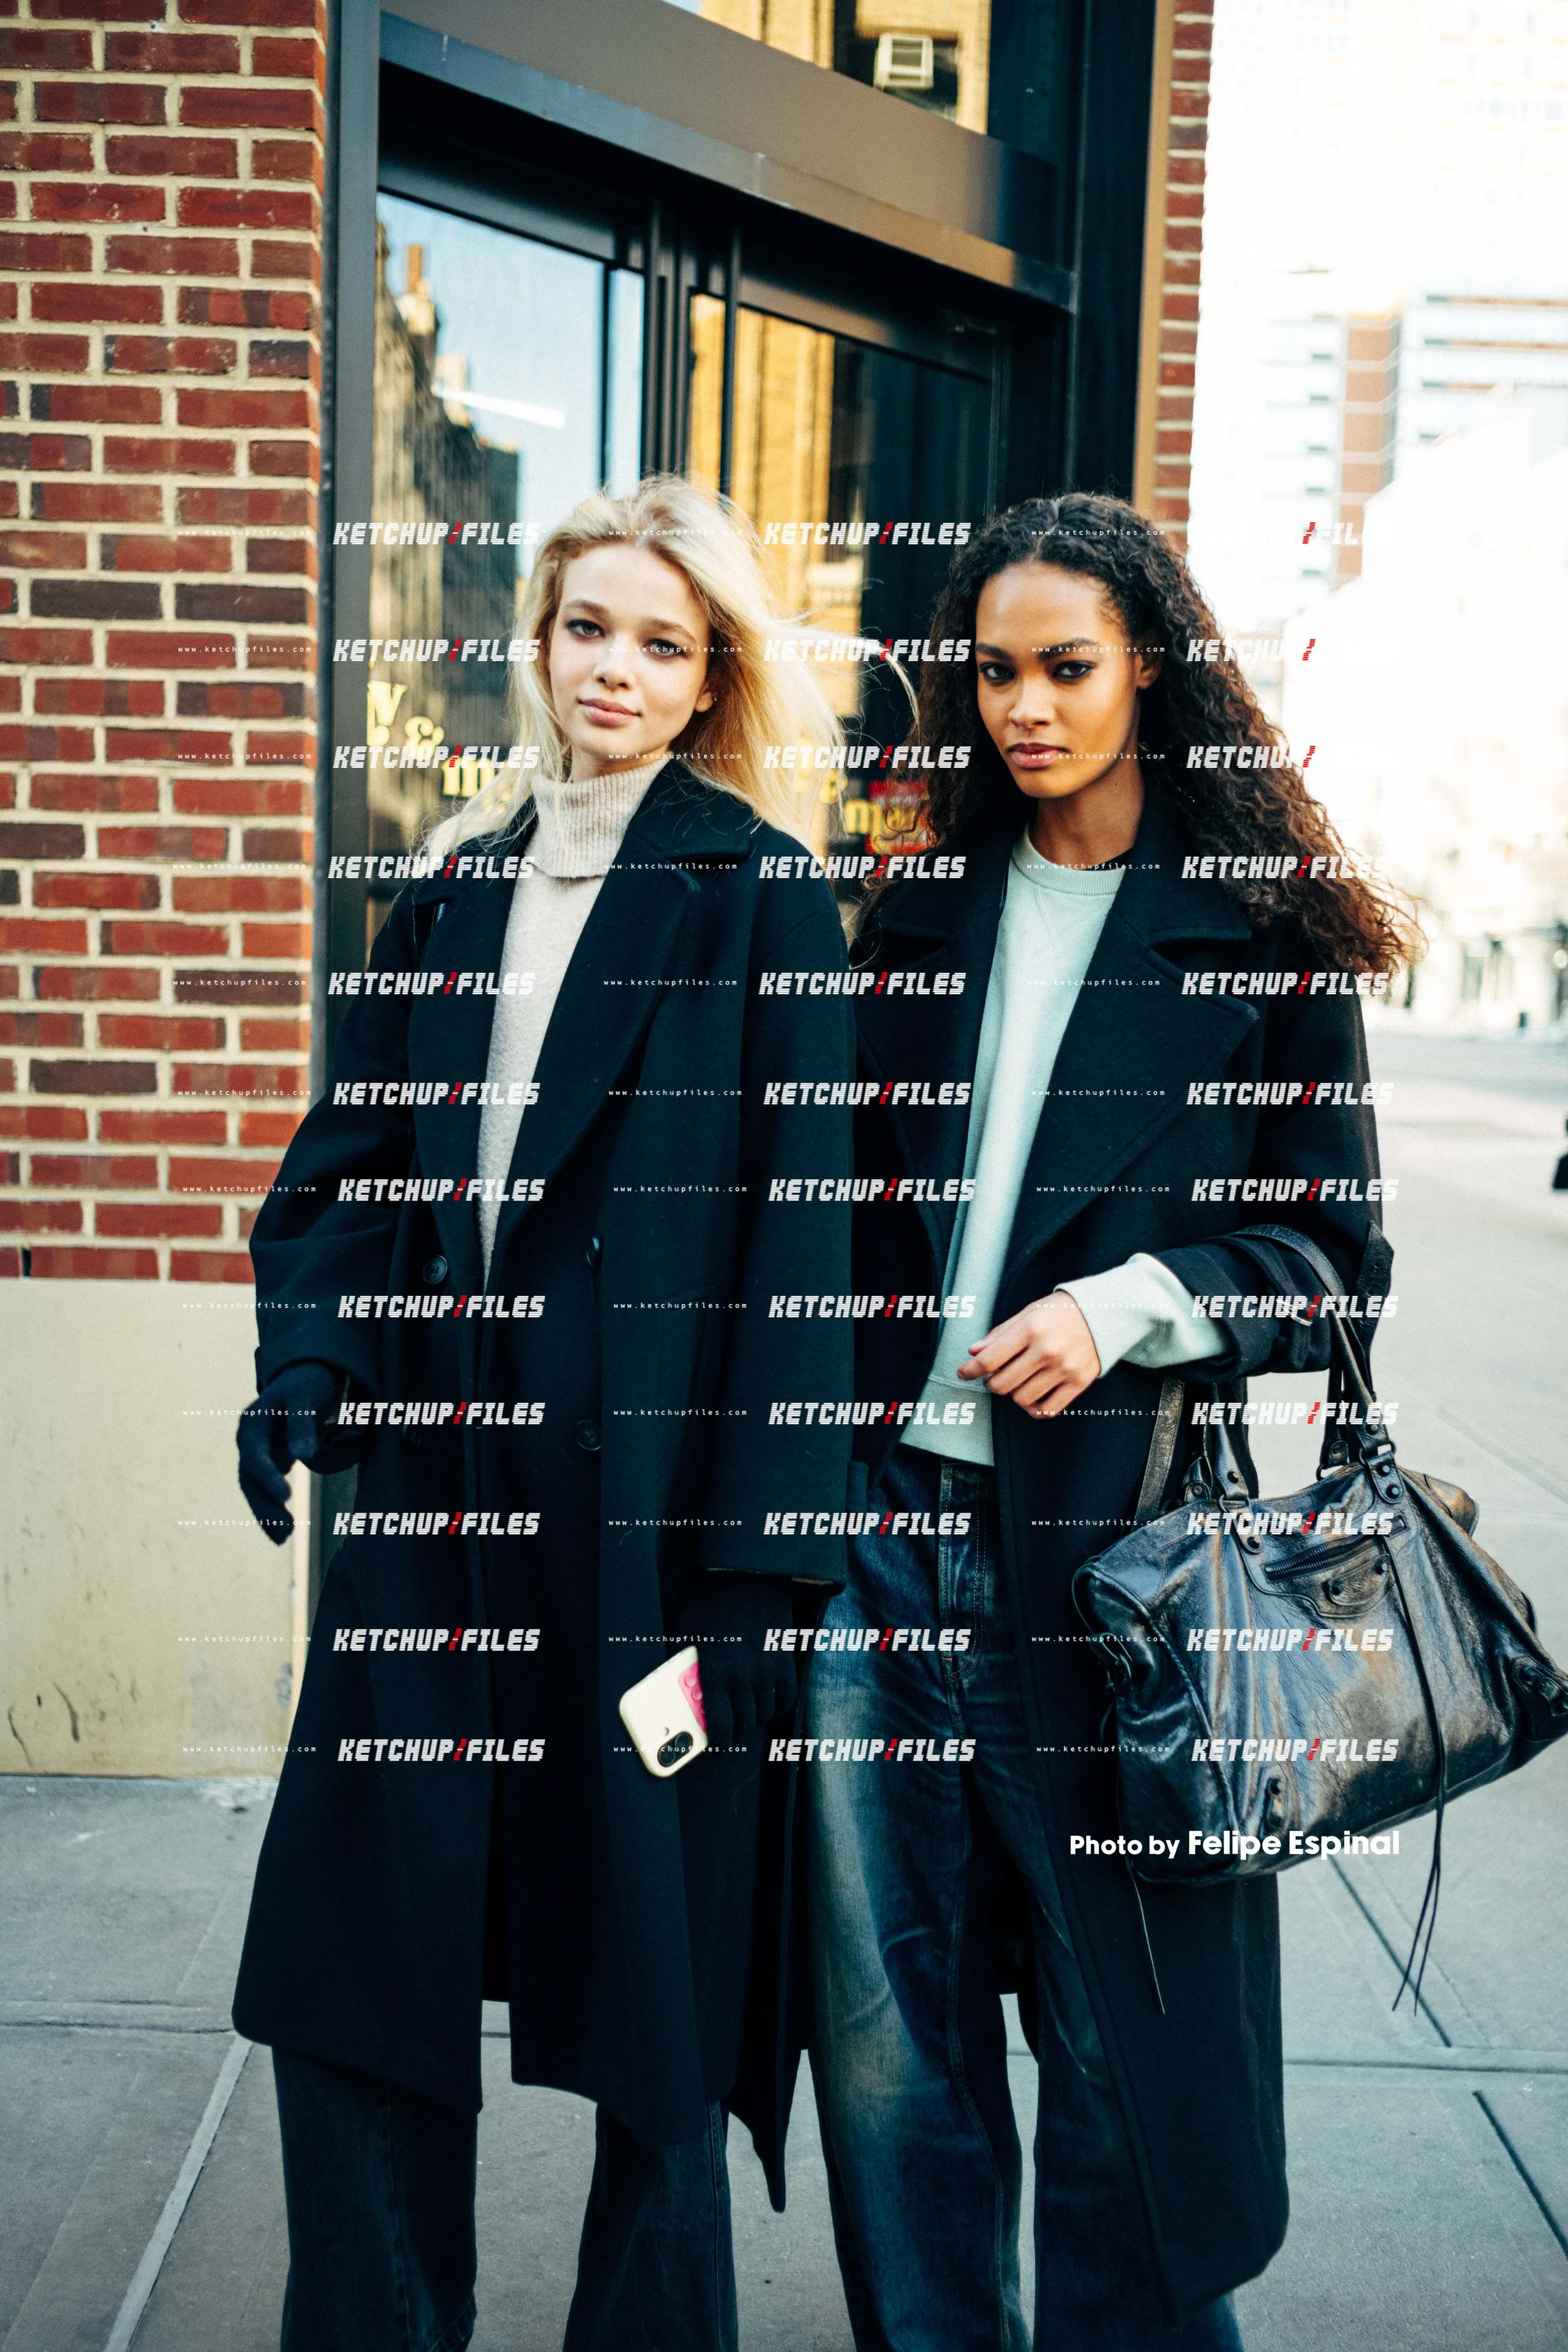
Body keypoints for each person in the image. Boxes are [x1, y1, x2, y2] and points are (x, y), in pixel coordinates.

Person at [233, 475, 857, 2352]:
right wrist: (311, 1366)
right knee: (355, 1959)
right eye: (589, 627)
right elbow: (349, 1172)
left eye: (662, 642)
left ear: (709, 676)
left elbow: (803, 1250)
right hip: (433, 1510)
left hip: (653, 1534)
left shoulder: (763, 900)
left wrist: (757, 1572)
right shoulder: (449, 885)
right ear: (541, 643)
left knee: (656, 1996)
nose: (616, 668)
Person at [803, 492, 1420, 2351]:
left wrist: (1128, 1305)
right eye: (994, 672)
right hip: (876, 1557)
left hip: (1116, 1570)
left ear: (1147, 663)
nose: (1025, 706)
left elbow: (1334, 1259)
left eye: (1065, 667)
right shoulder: (914, 915)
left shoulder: (1258, 937)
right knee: (889, 2060)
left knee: (1117, 2058)